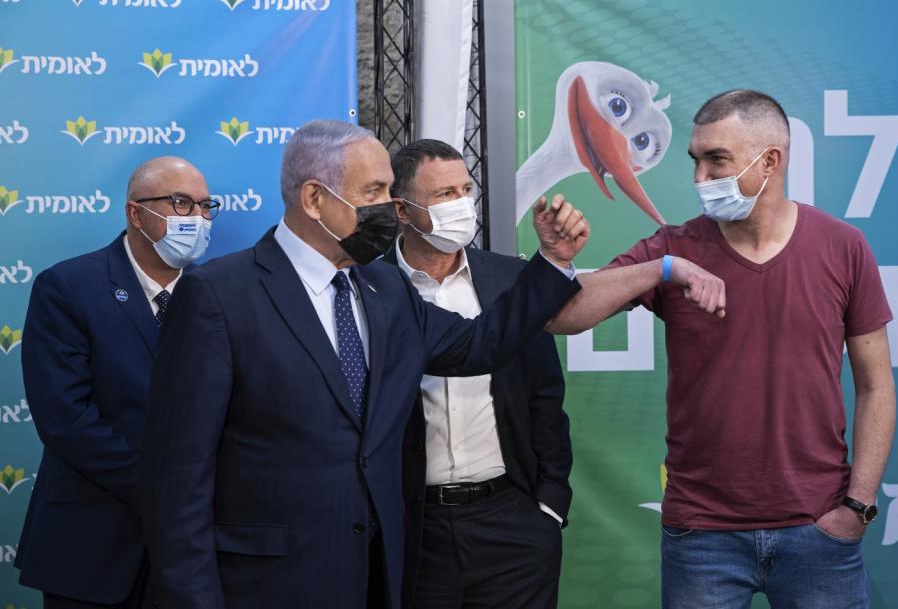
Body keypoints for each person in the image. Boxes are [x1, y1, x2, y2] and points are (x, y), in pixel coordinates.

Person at [137, 120, 589, 609]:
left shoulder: (385, 288)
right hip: (270, 584)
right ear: (314, 199)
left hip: (379, 577)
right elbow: (178, 478)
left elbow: (478, 344)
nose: (389, 208)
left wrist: (553, 262)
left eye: (391, 191)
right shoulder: (219, 296)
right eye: (373, 191)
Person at [548, 90, 896, 608]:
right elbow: (562, 316)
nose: (700, 179)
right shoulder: (674, 247)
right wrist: (664, 269)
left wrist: (858, 507)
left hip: (818, 530)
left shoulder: (843, 247)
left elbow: (876, 385)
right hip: (702, 535)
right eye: (696, 160)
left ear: (770, 160)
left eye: (717, 161)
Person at [15, 157, 216, 608]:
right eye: (181, 203)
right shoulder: (68, 287)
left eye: (206, 206)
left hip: (194, 553)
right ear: (135, 212)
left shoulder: (219, 292)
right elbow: (65, 418)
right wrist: (163, 489)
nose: (198, 218)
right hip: (91, 545)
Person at [384, 139, 572, 608]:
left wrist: (549, 504)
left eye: (465, 189)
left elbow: (545, 394)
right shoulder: (371, 285)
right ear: (402, 211)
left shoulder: (512, 279)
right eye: (443, 195)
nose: (461, 204)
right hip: (414, 527)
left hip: (512, 521)